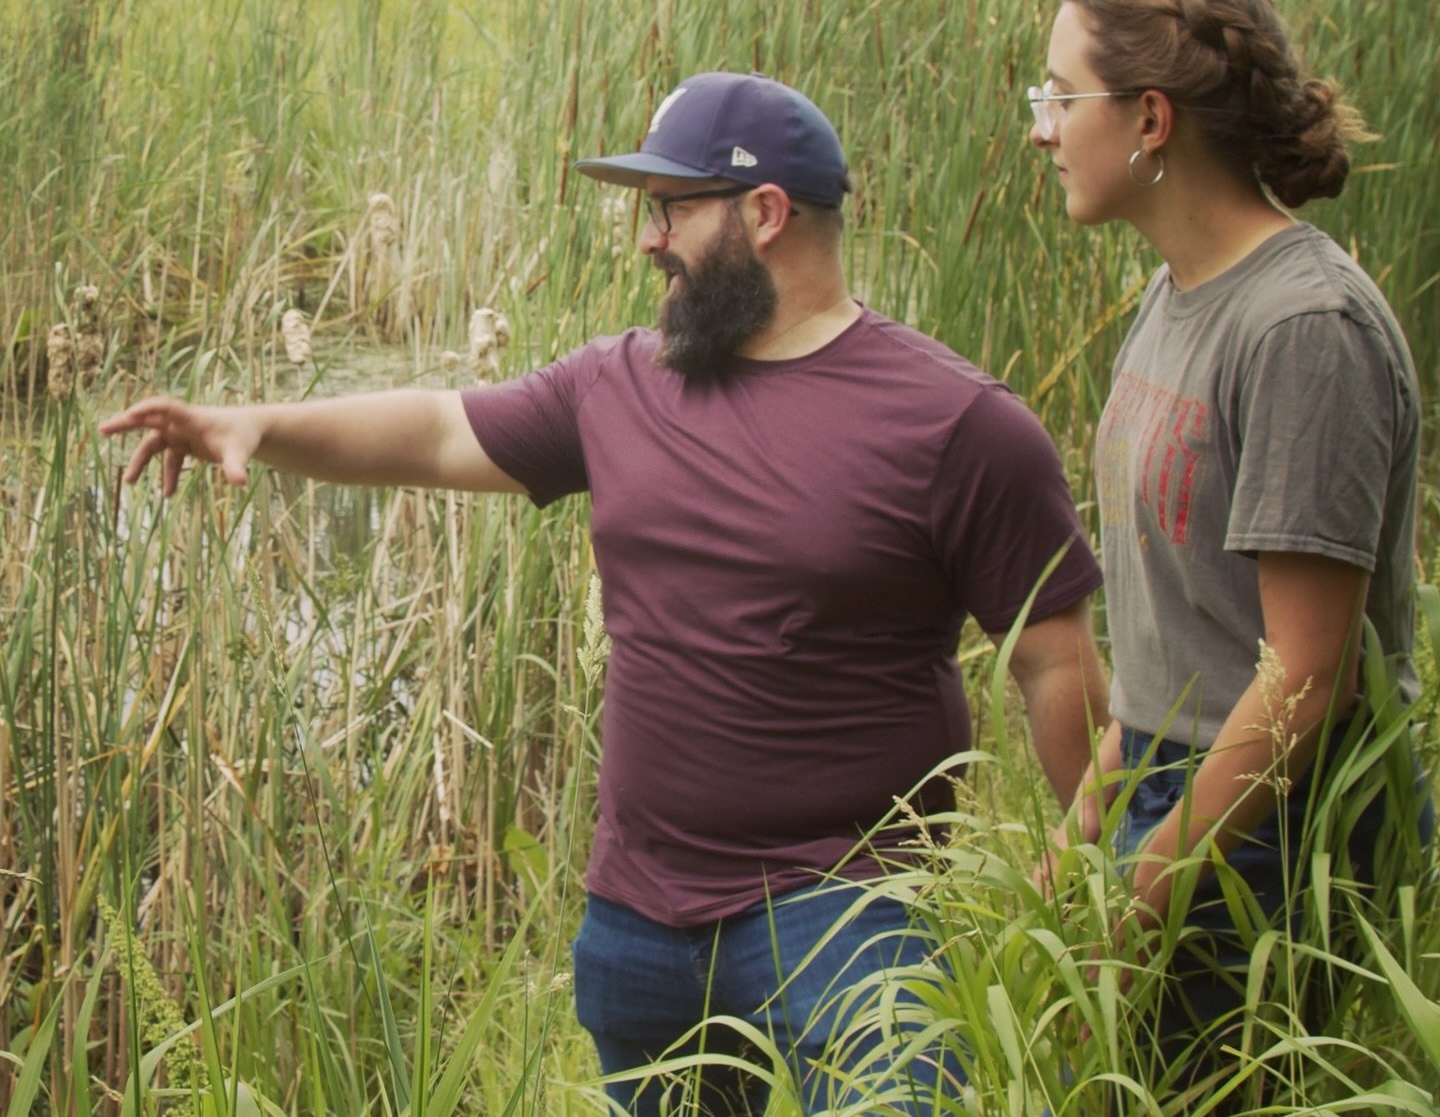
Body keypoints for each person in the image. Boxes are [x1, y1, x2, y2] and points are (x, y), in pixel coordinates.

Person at [104, 71, 1108, 1116]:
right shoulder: (619, 384)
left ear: (765, 214)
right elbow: (441, 428)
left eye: (670, 208)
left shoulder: (957, 424)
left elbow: (1053, 664)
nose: (646, 239)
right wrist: (258, 427)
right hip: (639, 925)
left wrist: (1088, 897)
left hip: (851, 920)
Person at [1029, 0, 1430, 1103]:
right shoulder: (1175, 292)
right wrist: (1092, 817)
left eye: (1061, 95)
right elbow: (1185, 625)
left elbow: (1306, 676)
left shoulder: (1305, 328)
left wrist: (1154, 881)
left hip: (1270, 831)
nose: (1042, 128)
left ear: (1150, 118)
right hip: (1171, 794)